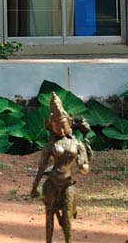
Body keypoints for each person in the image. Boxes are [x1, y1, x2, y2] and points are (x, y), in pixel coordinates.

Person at [31, 93, 92, 243]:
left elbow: (85, 167)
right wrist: (35, 186)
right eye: (57, 127)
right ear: (52, 127)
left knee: (66, 218)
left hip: (67, 185)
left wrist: (83, 165)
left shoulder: (76, 144)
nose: (62, 130)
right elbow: (42, 166)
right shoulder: (51, 145)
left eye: (64, 126)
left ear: (69, 123)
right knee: (49, 217)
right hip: (51, 184)